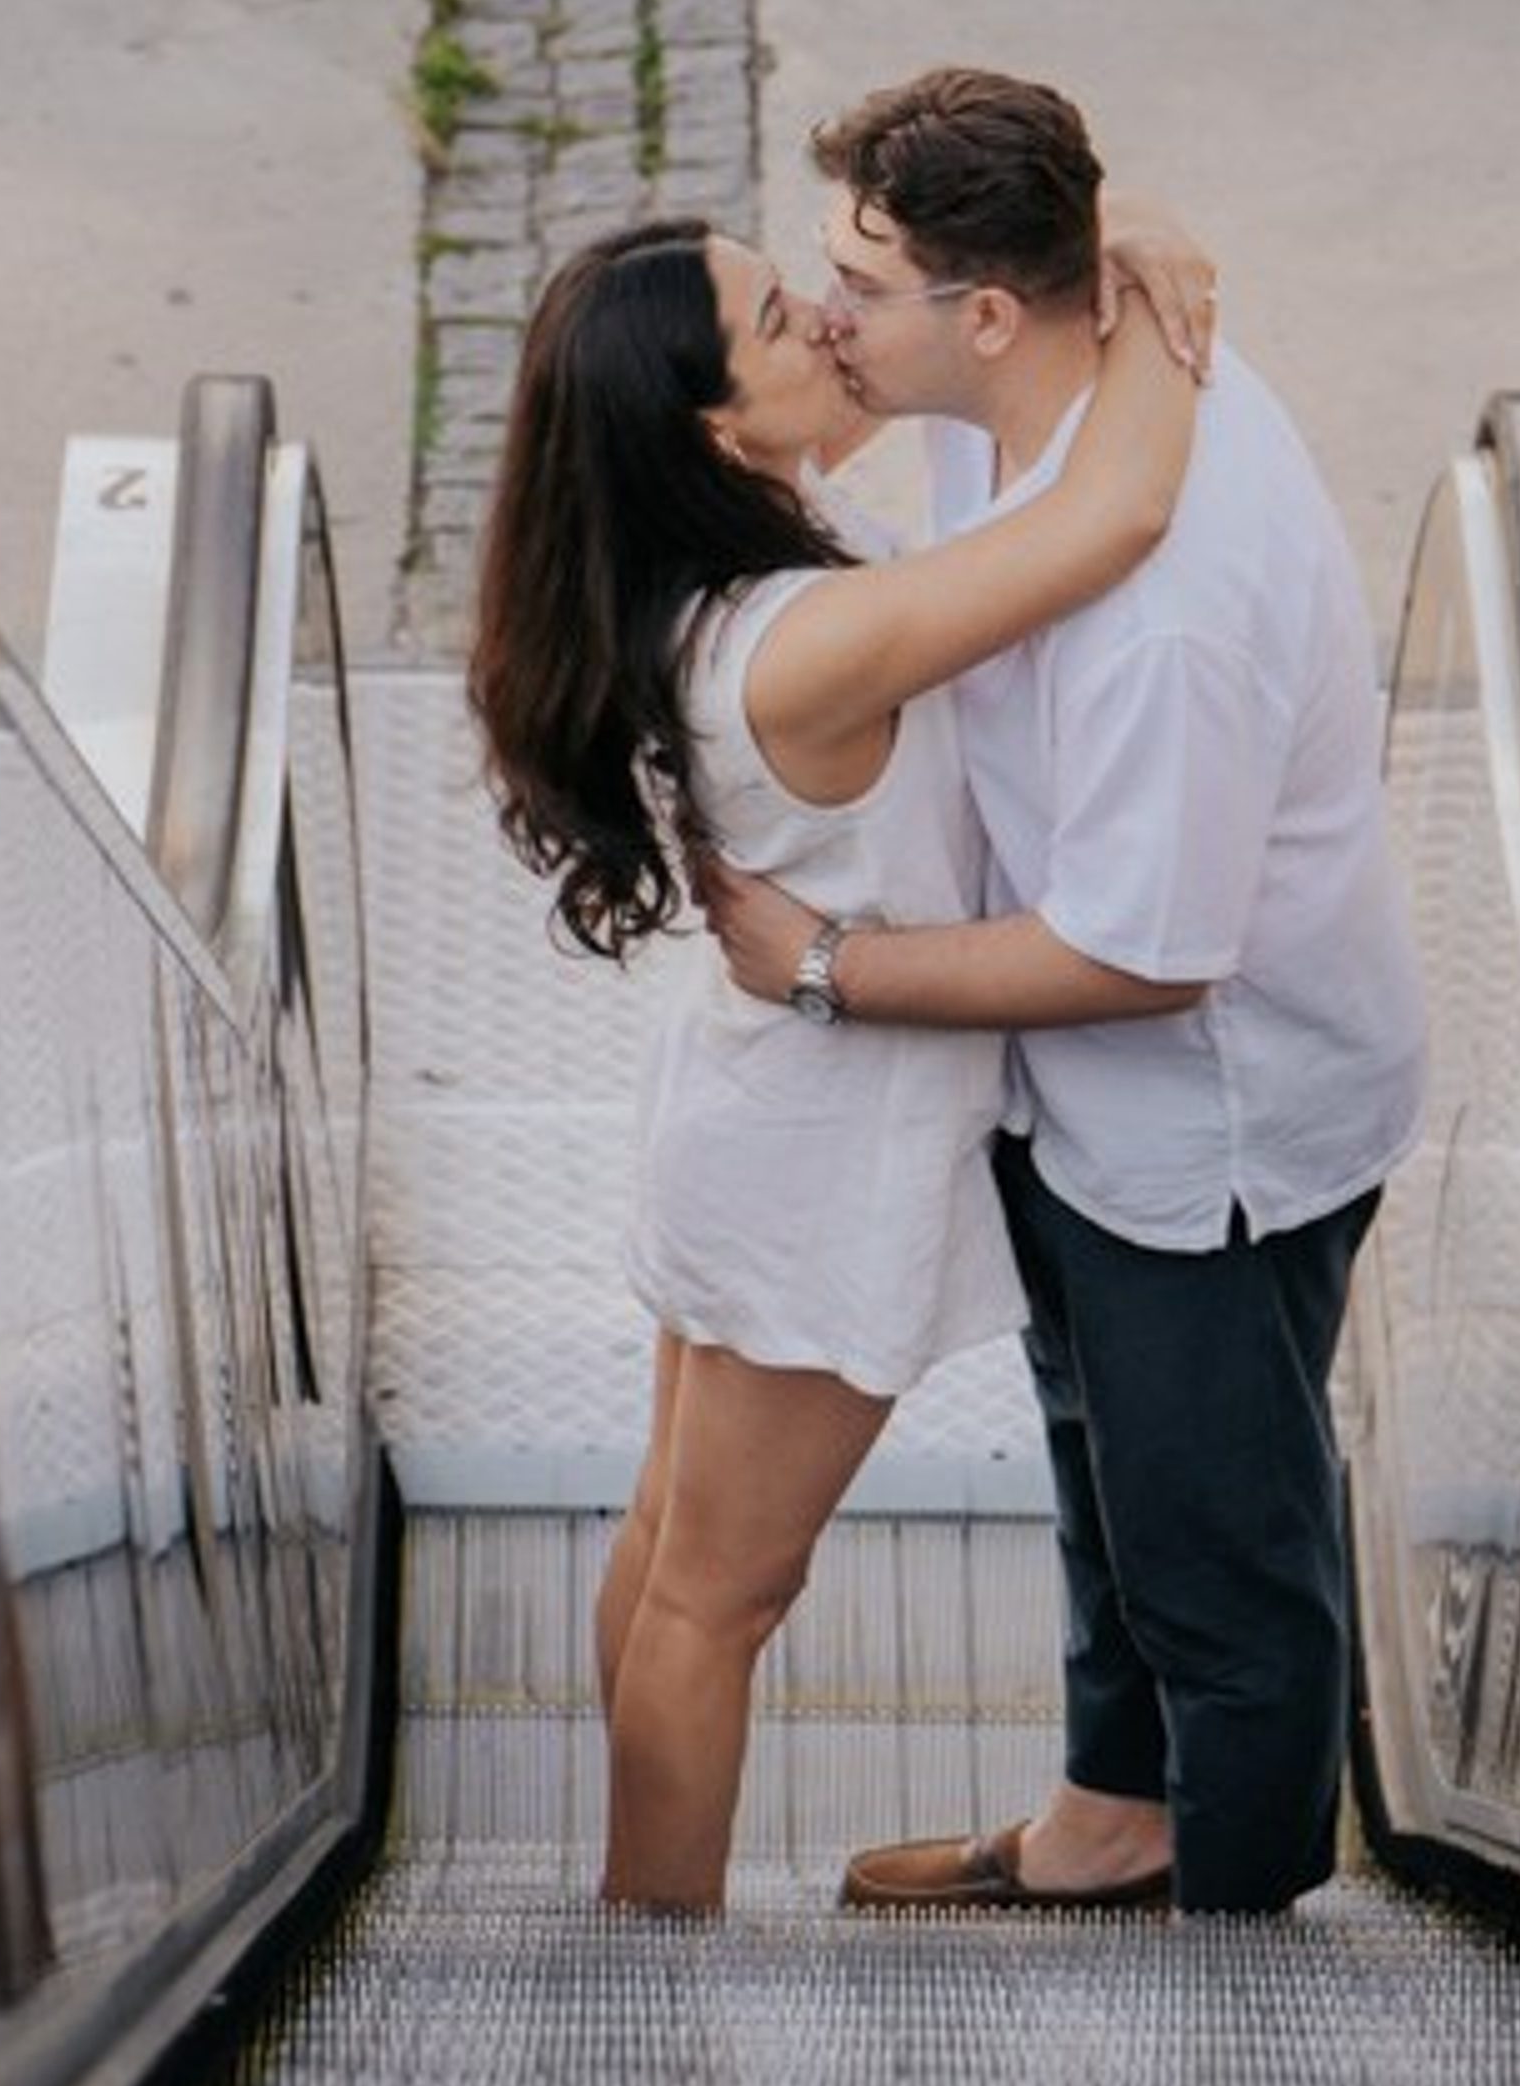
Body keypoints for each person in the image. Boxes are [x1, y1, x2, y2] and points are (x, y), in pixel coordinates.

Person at [706, 69, 1429, 1918]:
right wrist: (1137, 217)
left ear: (993, 311)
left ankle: (1239, 1963)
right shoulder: (1010, 378)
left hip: (1217, 1121)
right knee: (1106, 1463)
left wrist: (833, 975)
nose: (824, 313)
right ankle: (1115, 1813)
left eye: (858, 285)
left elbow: (1142, 954)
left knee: (1219, 1560)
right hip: (1087, 1103)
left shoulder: (1172, 617)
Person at [469, 209, 1206, 1911]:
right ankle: (651, 1953)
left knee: (671, 1555)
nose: (834, 328)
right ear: (716, 431)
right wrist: (1158, 303)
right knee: (719, 1597)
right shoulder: (799, 641)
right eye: (789, 325)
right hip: (812, 1159)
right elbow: (1124, 512)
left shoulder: (722, 575)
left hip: (746, 1114)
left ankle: (633, 1916)